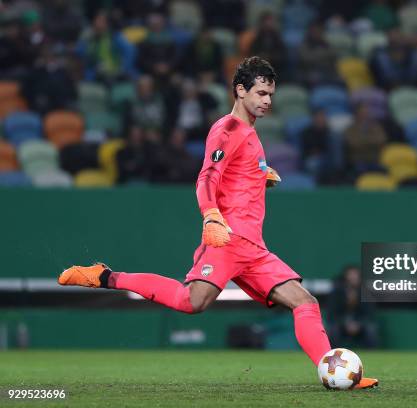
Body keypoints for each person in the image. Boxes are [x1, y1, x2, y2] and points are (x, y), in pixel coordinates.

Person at [58, 56, 378, 389]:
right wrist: (211, 214)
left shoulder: (250, 133)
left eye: (270, 94)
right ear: (240, 90)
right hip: (227, 239)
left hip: (253, 247)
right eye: (260, 93)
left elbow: (233, 173)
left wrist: (257, 175)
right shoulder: (228, 129)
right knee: (190, 302)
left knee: (305, 302)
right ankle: (106, 276)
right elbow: (207, 177)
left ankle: (335, 375)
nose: (267, 101)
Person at [328, 265, 378, 349]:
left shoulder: (365, 293)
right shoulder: (337, 292)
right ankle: (334, 353)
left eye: (355, 275)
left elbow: (369, 313)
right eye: (350, 275)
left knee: (370, 329)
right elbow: (332, 314)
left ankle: (371, 354)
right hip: (341, 324)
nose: (353, 278)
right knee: (334, 330)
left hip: (360, 325)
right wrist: (345, 323)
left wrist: (358, 324)